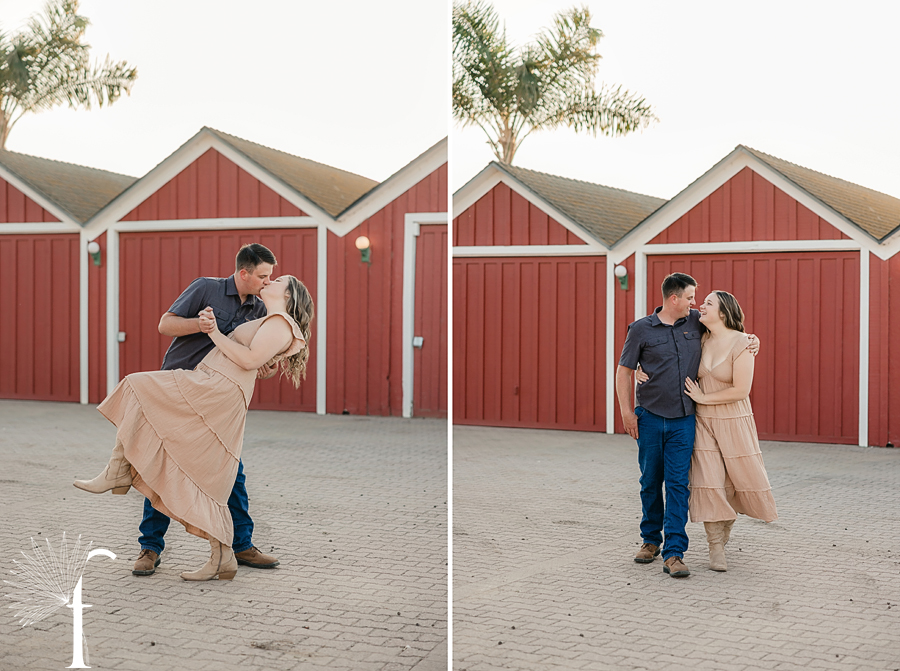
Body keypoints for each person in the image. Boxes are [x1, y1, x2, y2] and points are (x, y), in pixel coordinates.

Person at [74, 273, 313, 580]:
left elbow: (251, 360)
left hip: (213, 390)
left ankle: (119, 472)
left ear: (289, 296)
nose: (269, 281)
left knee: (139, 391)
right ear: (244, 271)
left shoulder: (278, 322)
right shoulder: (251, 309)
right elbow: (252, 360)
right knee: (205, 470)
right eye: (265, 275)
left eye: (276, 279)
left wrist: (214, 332)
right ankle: (218, 555)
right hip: (210, 384)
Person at [615, 272, 758, 579]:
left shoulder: (696, 323)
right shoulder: (641, 329)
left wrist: (752, 340)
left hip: (684, 420)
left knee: (679, 485)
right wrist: (627, 414)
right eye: (691, 297)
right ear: (674, 298)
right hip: (650, 417)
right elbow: (623, 371)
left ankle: (675, 553)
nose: (696, 303)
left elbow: (729, 330)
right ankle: (651, 540)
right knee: (650, 481)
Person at [681, 290, 777, 571]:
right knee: (708, 481)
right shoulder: (699, 337)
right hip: (703, 423)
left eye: (708, 303)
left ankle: (724, 538)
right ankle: (714, 547)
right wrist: (639, 368)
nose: (701, 305)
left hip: (734, 420)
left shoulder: (743, 343)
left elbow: (741, 389)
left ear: (723, 312)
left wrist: (703, 398)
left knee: (734, 483)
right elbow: (663, 336)